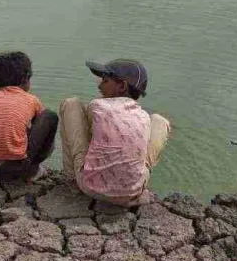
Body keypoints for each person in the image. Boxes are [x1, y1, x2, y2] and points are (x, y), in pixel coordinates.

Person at [59, 59, 171, 206]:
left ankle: (72, 180)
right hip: (133, 193)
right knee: (160, 121)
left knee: (70, 104)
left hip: (90, 188)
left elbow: (88, 134)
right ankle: (133, 182)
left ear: (122, 86)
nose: (99, 86)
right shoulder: (143, 116)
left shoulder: (97, 106)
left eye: (105, 81)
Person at [0, 51, 59, 182]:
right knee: (49, 116)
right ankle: (34, 170)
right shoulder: (32, 99)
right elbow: (40, 131)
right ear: (26, 78)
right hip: (17, 170)